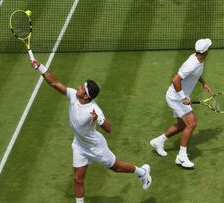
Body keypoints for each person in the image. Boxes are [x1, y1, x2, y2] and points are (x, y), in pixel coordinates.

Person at [29, 59, 152, 203]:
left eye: (82, 87)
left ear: (86, 96)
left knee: (116, 167)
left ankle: (142, 172)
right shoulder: (73, 95)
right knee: (78, 179)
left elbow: (109, 129)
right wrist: (40, 67)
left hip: (95, 147)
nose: (78, 87)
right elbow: (54, 83)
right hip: (80, 145)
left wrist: (99, 120)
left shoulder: (94, 110)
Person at [150, 39, 212, 169]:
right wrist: (183, 97)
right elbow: (175, 80)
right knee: (192, 123)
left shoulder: (199, 59)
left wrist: (203, 83)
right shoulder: (192, 63)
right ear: (206, 51)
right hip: (175, 97)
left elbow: (196, 74)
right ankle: (181, 157)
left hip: (179, 97)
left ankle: (158, 141)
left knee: (182, 124)